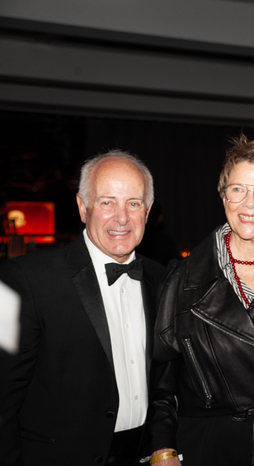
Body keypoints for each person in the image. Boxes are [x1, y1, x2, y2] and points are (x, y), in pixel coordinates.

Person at [143, 135, 254, 466]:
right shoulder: (183, 278)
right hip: (208, 445)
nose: (249, 204)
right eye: (238, 189)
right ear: (223, 195)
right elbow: (160, 380)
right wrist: (162, 449)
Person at [0, 150, 165, 465]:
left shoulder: (163, 280)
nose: (122, 218)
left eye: (133, 203)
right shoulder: (22, 280)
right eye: (107, 202)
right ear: (82, 207)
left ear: (148, 210)